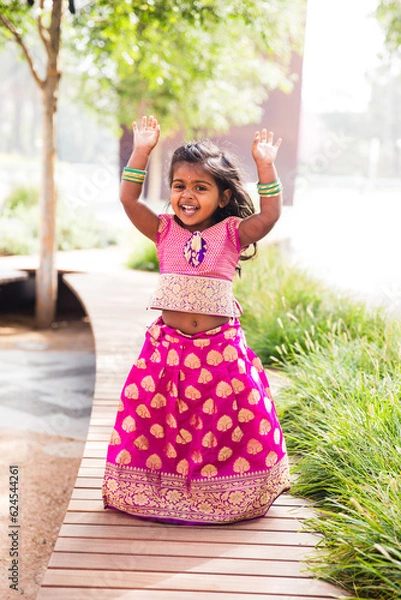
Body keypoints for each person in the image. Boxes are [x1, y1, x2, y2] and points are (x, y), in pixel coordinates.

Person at [102, 115, 290, 524]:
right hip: (166, 351)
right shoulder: (163, 230)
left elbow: (271, 214)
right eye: (179, 186)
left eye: (200, 188)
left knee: (231, 420)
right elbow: (129, 200)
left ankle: (230, 492)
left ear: (222, 197)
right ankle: (156, 490)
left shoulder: (233, 232)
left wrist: (265, 165)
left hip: (221, 352)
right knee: (158, 419)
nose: (187, 195)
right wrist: (142, 150)